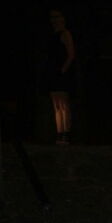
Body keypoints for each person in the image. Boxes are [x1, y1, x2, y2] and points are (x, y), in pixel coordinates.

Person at [46, 9, 75, 144]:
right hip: (53, 72)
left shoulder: (65, 34)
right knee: (56, 105)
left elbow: (71, 54)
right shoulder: (53, 35)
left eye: (57, 17)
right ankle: (59, 132)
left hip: (61, 72)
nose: (55, 20)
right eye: (53, 17)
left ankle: (66, 133)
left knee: (63, 104)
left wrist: (63, 70)